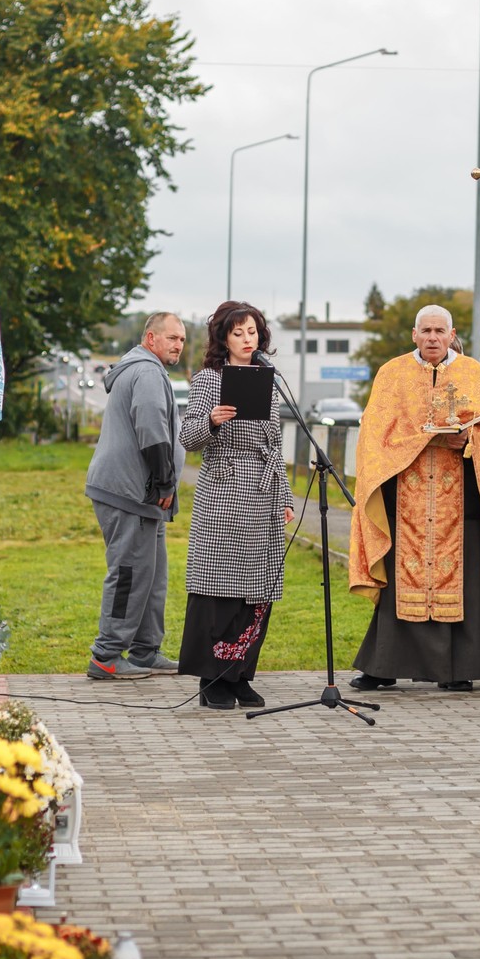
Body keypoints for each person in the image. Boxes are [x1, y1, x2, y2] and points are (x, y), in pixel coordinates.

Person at [348, 305, 480, 691]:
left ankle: (457, 669)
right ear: (414, 335)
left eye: (439, 331)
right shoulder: (392, 374)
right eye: (426, 331)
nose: (433, 337)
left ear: (451, 335)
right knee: (401, 582)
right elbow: (375, 438)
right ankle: (384, 666)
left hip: (459, 501)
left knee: (464, 582)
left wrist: (469, 439)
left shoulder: (472, 373)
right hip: (406, 500)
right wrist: (425, 438)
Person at [179, 302, 294, 709]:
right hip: (225, 491)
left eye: (253, 332)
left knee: (258, 588)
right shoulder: (209, 379)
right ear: (223, 338)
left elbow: (275, 445)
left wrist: (285, 495)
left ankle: (241, 674)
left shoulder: (269, 379)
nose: (248, 339)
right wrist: (212, 420)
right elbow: (188, 438)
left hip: (264, 492)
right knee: (219, 586)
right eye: (239, 333)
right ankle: (213, 679)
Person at [83, 312, 186, 681]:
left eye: (182, 339)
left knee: (152, 575)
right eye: (172, 337)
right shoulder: (146, 371)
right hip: (129, 492)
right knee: (129, 572)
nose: (178, 345)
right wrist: (164, 481)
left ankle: (145, 651)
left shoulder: (146, 369)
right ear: (150, 338)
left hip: (138, 494)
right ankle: (106, 655)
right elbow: (151, 427)